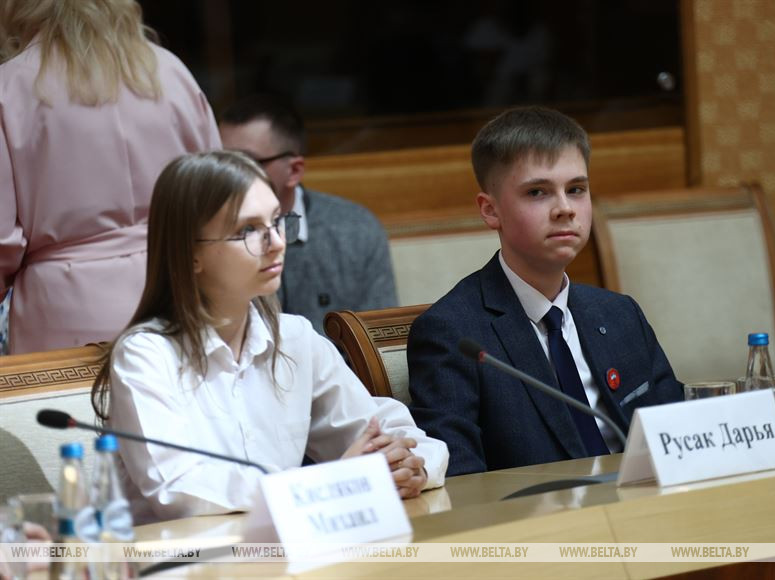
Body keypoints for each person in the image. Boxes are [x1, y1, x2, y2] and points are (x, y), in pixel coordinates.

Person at [90, 151, 447, 523]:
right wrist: (333, 481)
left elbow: (379, 428)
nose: (276, 242)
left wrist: (411, 466)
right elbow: (180, 492)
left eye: (277, 221)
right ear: (191, 253)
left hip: (284, 545)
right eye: (248, 230)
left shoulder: (294, 337)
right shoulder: (145, 355)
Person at [407, 107, 683, 476]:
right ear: (490, 210)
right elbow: (460, 478)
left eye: (576, 190)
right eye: (537, 192)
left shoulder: (619, 314)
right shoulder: (453, 334)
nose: (565, 209)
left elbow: (678, 434)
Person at [0, 0, 222, 354]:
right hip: (176, 289)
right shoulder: (169, 70)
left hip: (64, 305)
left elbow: (2, 239)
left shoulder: (10, 85)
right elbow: (216, 194)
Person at [218, 95, 397, 335]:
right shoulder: (211, 237)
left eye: (246, 162)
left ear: (294, 170)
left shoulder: (355, 229)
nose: (228, 175)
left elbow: (377, 338)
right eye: (221, 160)